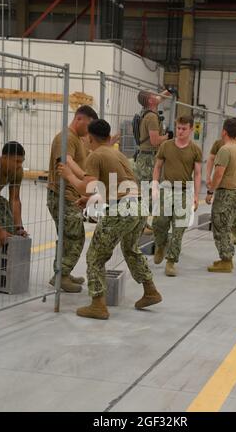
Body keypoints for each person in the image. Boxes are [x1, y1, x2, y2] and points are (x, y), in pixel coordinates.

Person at [57, 119, 162, 320]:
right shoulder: (117, 153)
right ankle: (150, 291)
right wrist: (89, 199)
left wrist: (69, 175)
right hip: (139, 206)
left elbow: (87, 185)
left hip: (122, 209)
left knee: (95, 256)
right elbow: (118, 185)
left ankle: (98, 304)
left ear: (89, 137)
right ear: (107, 136)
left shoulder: (96, 155)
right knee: (130, 249)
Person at [47, 105, 98, 293]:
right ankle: (61, 275)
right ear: (79, 119)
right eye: (89, 125)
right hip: (61, 196)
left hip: (71, 196)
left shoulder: (78, 138)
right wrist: (85, 176)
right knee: (75, 237)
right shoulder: (66, 138)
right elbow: (66, 161)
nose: (89, 130)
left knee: (68, 237)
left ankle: (63, 273)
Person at [152, 116, 202, 277]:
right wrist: (154, 185)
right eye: (178, 128)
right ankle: (160, 245)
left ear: (191, 129)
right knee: (159, 222)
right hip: (166, 189)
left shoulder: (195, 150)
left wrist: (196, 195)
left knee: (179, 228)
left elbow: (198, 174)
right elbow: (158, 167)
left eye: (184, 129)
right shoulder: (166, 146)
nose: (180, 131)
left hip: (184, 192)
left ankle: (171, 261)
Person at [206, 117, 236, 245]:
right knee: (224, 208)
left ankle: (233, 230)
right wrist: (208, 176)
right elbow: (211, 159)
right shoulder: (220, 144)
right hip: (224, 180)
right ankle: (227, 234)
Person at [206, 118, 236, 273]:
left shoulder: (225, 149)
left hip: (226, 194)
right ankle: (226, 258)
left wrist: (210, 191)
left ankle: (226, 260)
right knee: (226, 226)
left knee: (220, 227)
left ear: (224, 131)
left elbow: (219, 173)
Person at [134, 89, 171, 234]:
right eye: (153, 95)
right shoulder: (152, 118)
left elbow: (159, 98)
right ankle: (140, 226)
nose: (157, 96)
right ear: (150, 101)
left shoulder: (147, 111)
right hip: (149, 158)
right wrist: (168, 136)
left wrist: (168, 91)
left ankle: (142, 224)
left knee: (146, 192)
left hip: (146, 156)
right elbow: (155, 140)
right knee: (147, 192)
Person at [0, 141, 27, 246]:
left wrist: (18, 227)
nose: (19, 165)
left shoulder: (18, 171)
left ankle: (5, 259)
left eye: (21, 161)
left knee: (7, 213)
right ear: (5, 158)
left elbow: (14, 200)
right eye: (16, 161)